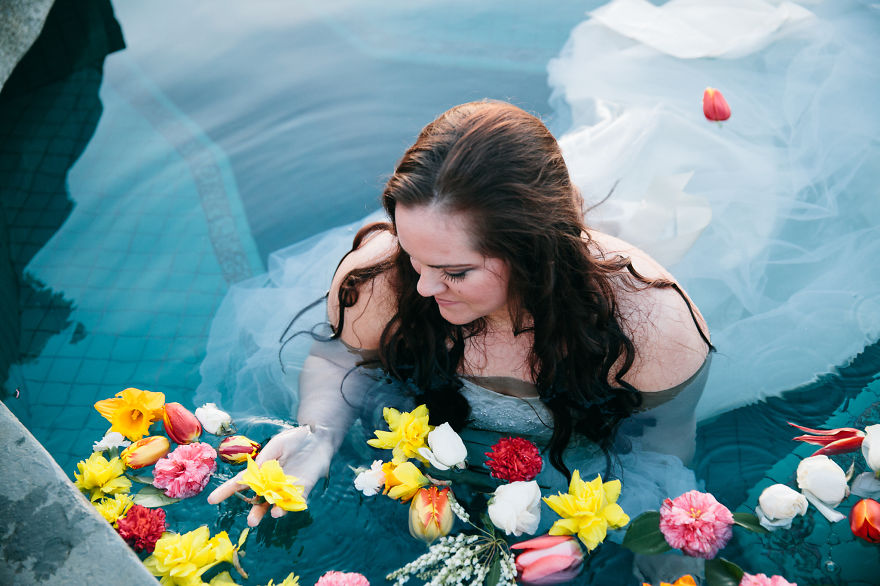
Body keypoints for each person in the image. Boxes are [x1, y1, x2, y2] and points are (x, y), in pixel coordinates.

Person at [208, 100, 712, 528]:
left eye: (454, 271)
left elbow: (661, 442)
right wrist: (320, 434)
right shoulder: (379, 280)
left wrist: (659, 532)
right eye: (412, 255)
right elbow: (338, 357)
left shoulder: (653, 330)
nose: (423, 287)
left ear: (533, 253)